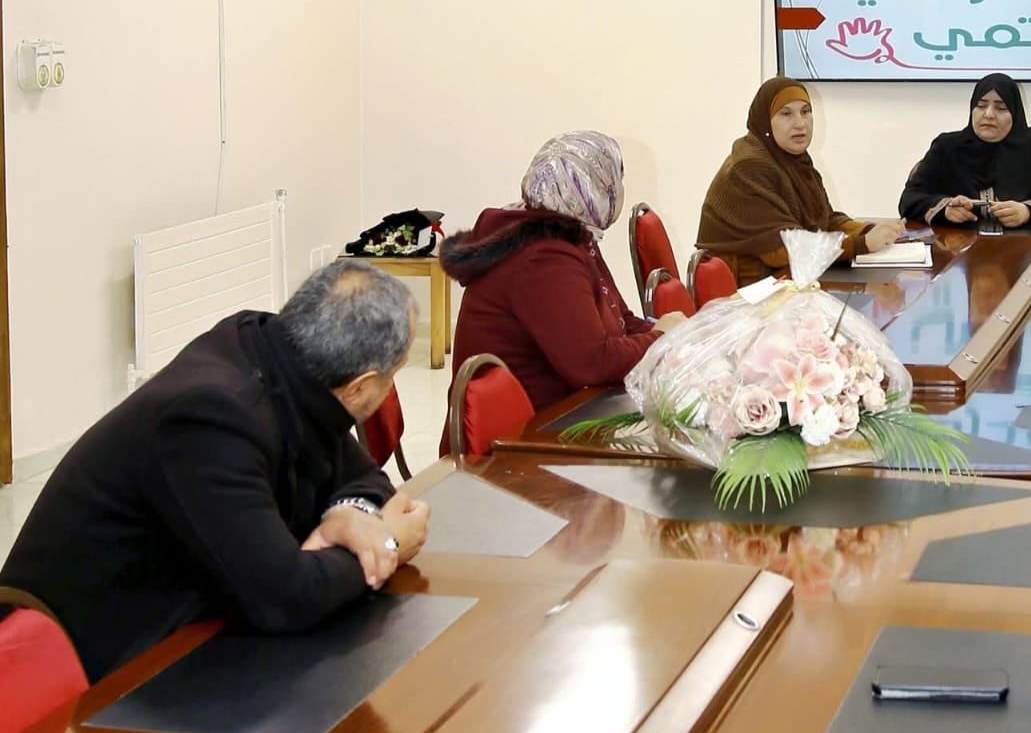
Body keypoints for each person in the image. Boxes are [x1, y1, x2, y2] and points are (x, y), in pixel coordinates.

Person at [0, 262, 432, 682]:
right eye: (392, 376)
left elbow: (368, 481)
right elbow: (283, 597)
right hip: (87, 670)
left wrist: (351, 514)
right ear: (359, 387)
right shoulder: (212, 416)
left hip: (189, 624)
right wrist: (386, 544)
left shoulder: (286, 360)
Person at [443, 131, 684, 411]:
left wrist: (676, 335)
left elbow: (622, 321)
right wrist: (660, 338)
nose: (620, 190)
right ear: (592, 189)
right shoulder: (544, 258)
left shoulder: (568, 236)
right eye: (616, 180)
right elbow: (591, 363)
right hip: (533, 429)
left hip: (564, 411)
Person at [698, 78, 901, 287]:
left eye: (805, 112)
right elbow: (783, 248)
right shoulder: (749, 166)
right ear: (765, 121)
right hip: (748, 292)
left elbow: (826, 220)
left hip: (786, 282)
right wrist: (862, 244)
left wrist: (870, 230)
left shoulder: (792, 159)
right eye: (786, 114)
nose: (800, 123)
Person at [897, 73, 1031, 228]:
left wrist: (1026, 211)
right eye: (981, 105)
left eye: (1001, 108)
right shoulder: (947, 147)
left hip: (1022, 246)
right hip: (957, 246)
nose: (988, 114)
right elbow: (910, 199)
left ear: (1015, 113)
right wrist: (946, 208)